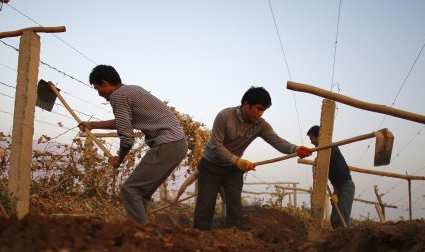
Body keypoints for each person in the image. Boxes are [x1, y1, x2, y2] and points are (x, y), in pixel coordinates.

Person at [193, 86, 313, 231]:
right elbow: (215, 145)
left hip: (233, 170)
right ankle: (199, 237)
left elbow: (276, 141)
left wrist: (295, 149)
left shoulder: (260, 125)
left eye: (263, 110)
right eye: (258, 109)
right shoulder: (225, 116)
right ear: (246, 104)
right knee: (205, 205)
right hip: (211, 166)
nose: (260, 114)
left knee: (235, 206)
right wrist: (237, 160)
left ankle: (234, 238)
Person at [84, 65, 187, 225]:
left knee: (130, 190)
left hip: (167, 144)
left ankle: (142, 235)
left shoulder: (117, 96)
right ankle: (148, 233)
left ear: (105, 83)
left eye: (98, 88)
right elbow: (123, 122)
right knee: (140, 194)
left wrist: (119, 159)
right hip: (177, 145)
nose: (99, 94)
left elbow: (127, 137)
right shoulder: (131, 90)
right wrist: (92, 125)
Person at [306, 125, 355, 228]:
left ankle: (342, 241)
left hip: (345, 186)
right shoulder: (325, 152)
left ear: (318, 136)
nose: (311, 142)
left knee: (340, 221)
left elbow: (340, 175)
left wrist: (336, 192)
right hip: (341, 186)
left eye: (311, 138)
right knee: (335, 219)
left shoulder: (330, 150)